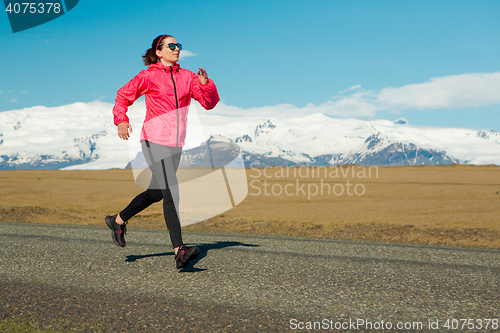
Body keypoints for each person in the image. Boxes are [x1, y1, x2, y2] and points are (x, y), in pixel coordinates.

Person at [105, 34, 220, 269]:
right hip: (153, 140)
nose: (177, 49)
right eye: (172, 45)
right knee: (171, 191)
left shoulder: (188, 77)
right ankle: (179, 250)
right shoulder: (149, 76)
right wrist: (121, 120)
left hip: (175, 144)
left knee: (157, 192)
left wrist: (206, 85)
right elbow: (123, 96)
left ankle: (118, 220)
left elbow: (209, 103)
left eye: (179, 45)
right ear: (159, 51)